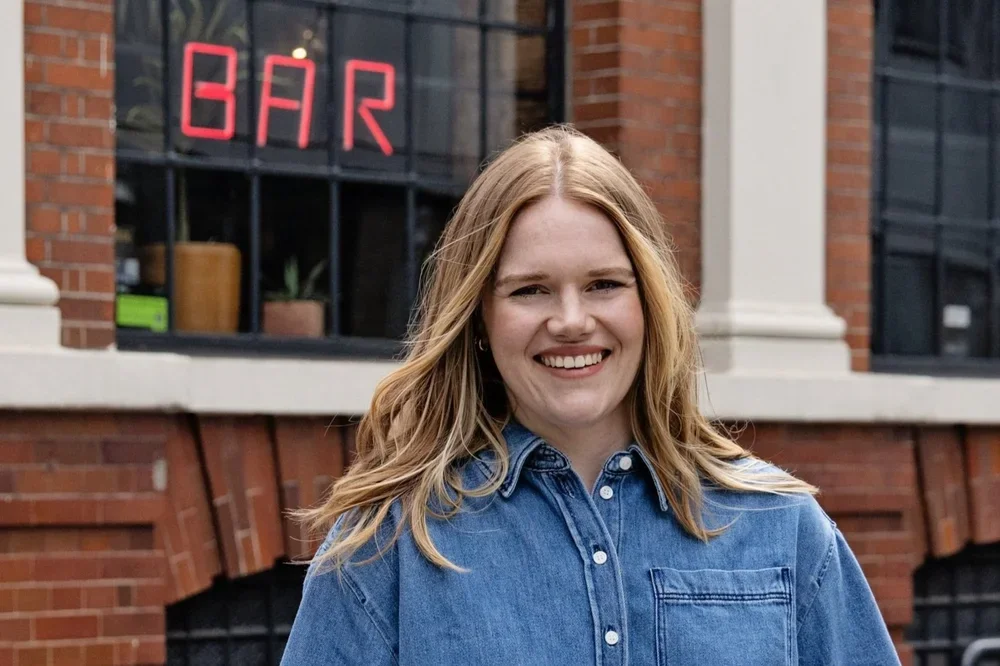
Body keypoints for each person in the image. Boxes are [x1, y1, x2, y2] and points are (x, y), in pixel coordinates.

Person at [280, 126, 901, 665]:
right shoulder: (388, 548)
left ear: (650, 302)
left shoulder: (783, 528)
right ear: (479, 319)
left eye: (604, 284)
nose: (571, 320)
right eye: (530, 290)